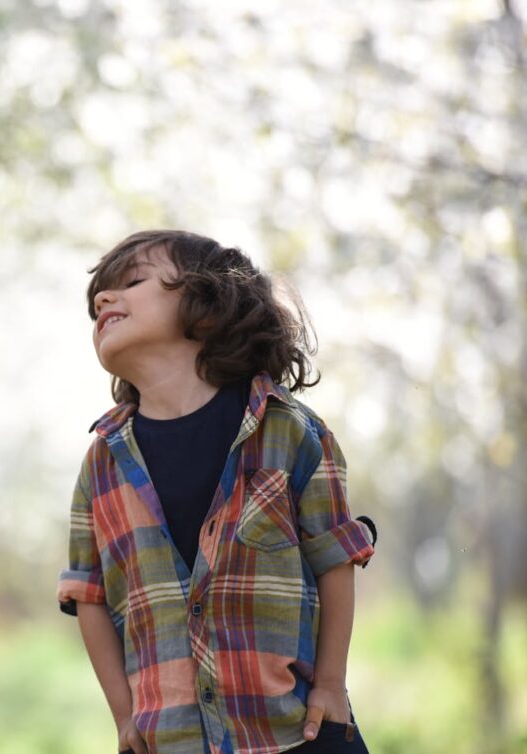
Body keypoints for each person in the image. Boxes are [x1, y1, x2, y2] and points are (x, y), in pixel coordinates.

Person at [55, 230, 378, 754]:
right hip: (172, 740)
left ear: (207, 307)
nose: (102, 300)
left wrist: (331, 685)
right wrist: (123, 716)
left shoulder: (289, 430)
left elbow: (335, 555)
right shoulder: (101, 465)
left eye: (132, 281)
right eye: (98, 300)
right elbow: (87, 595)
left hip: (295, 734)